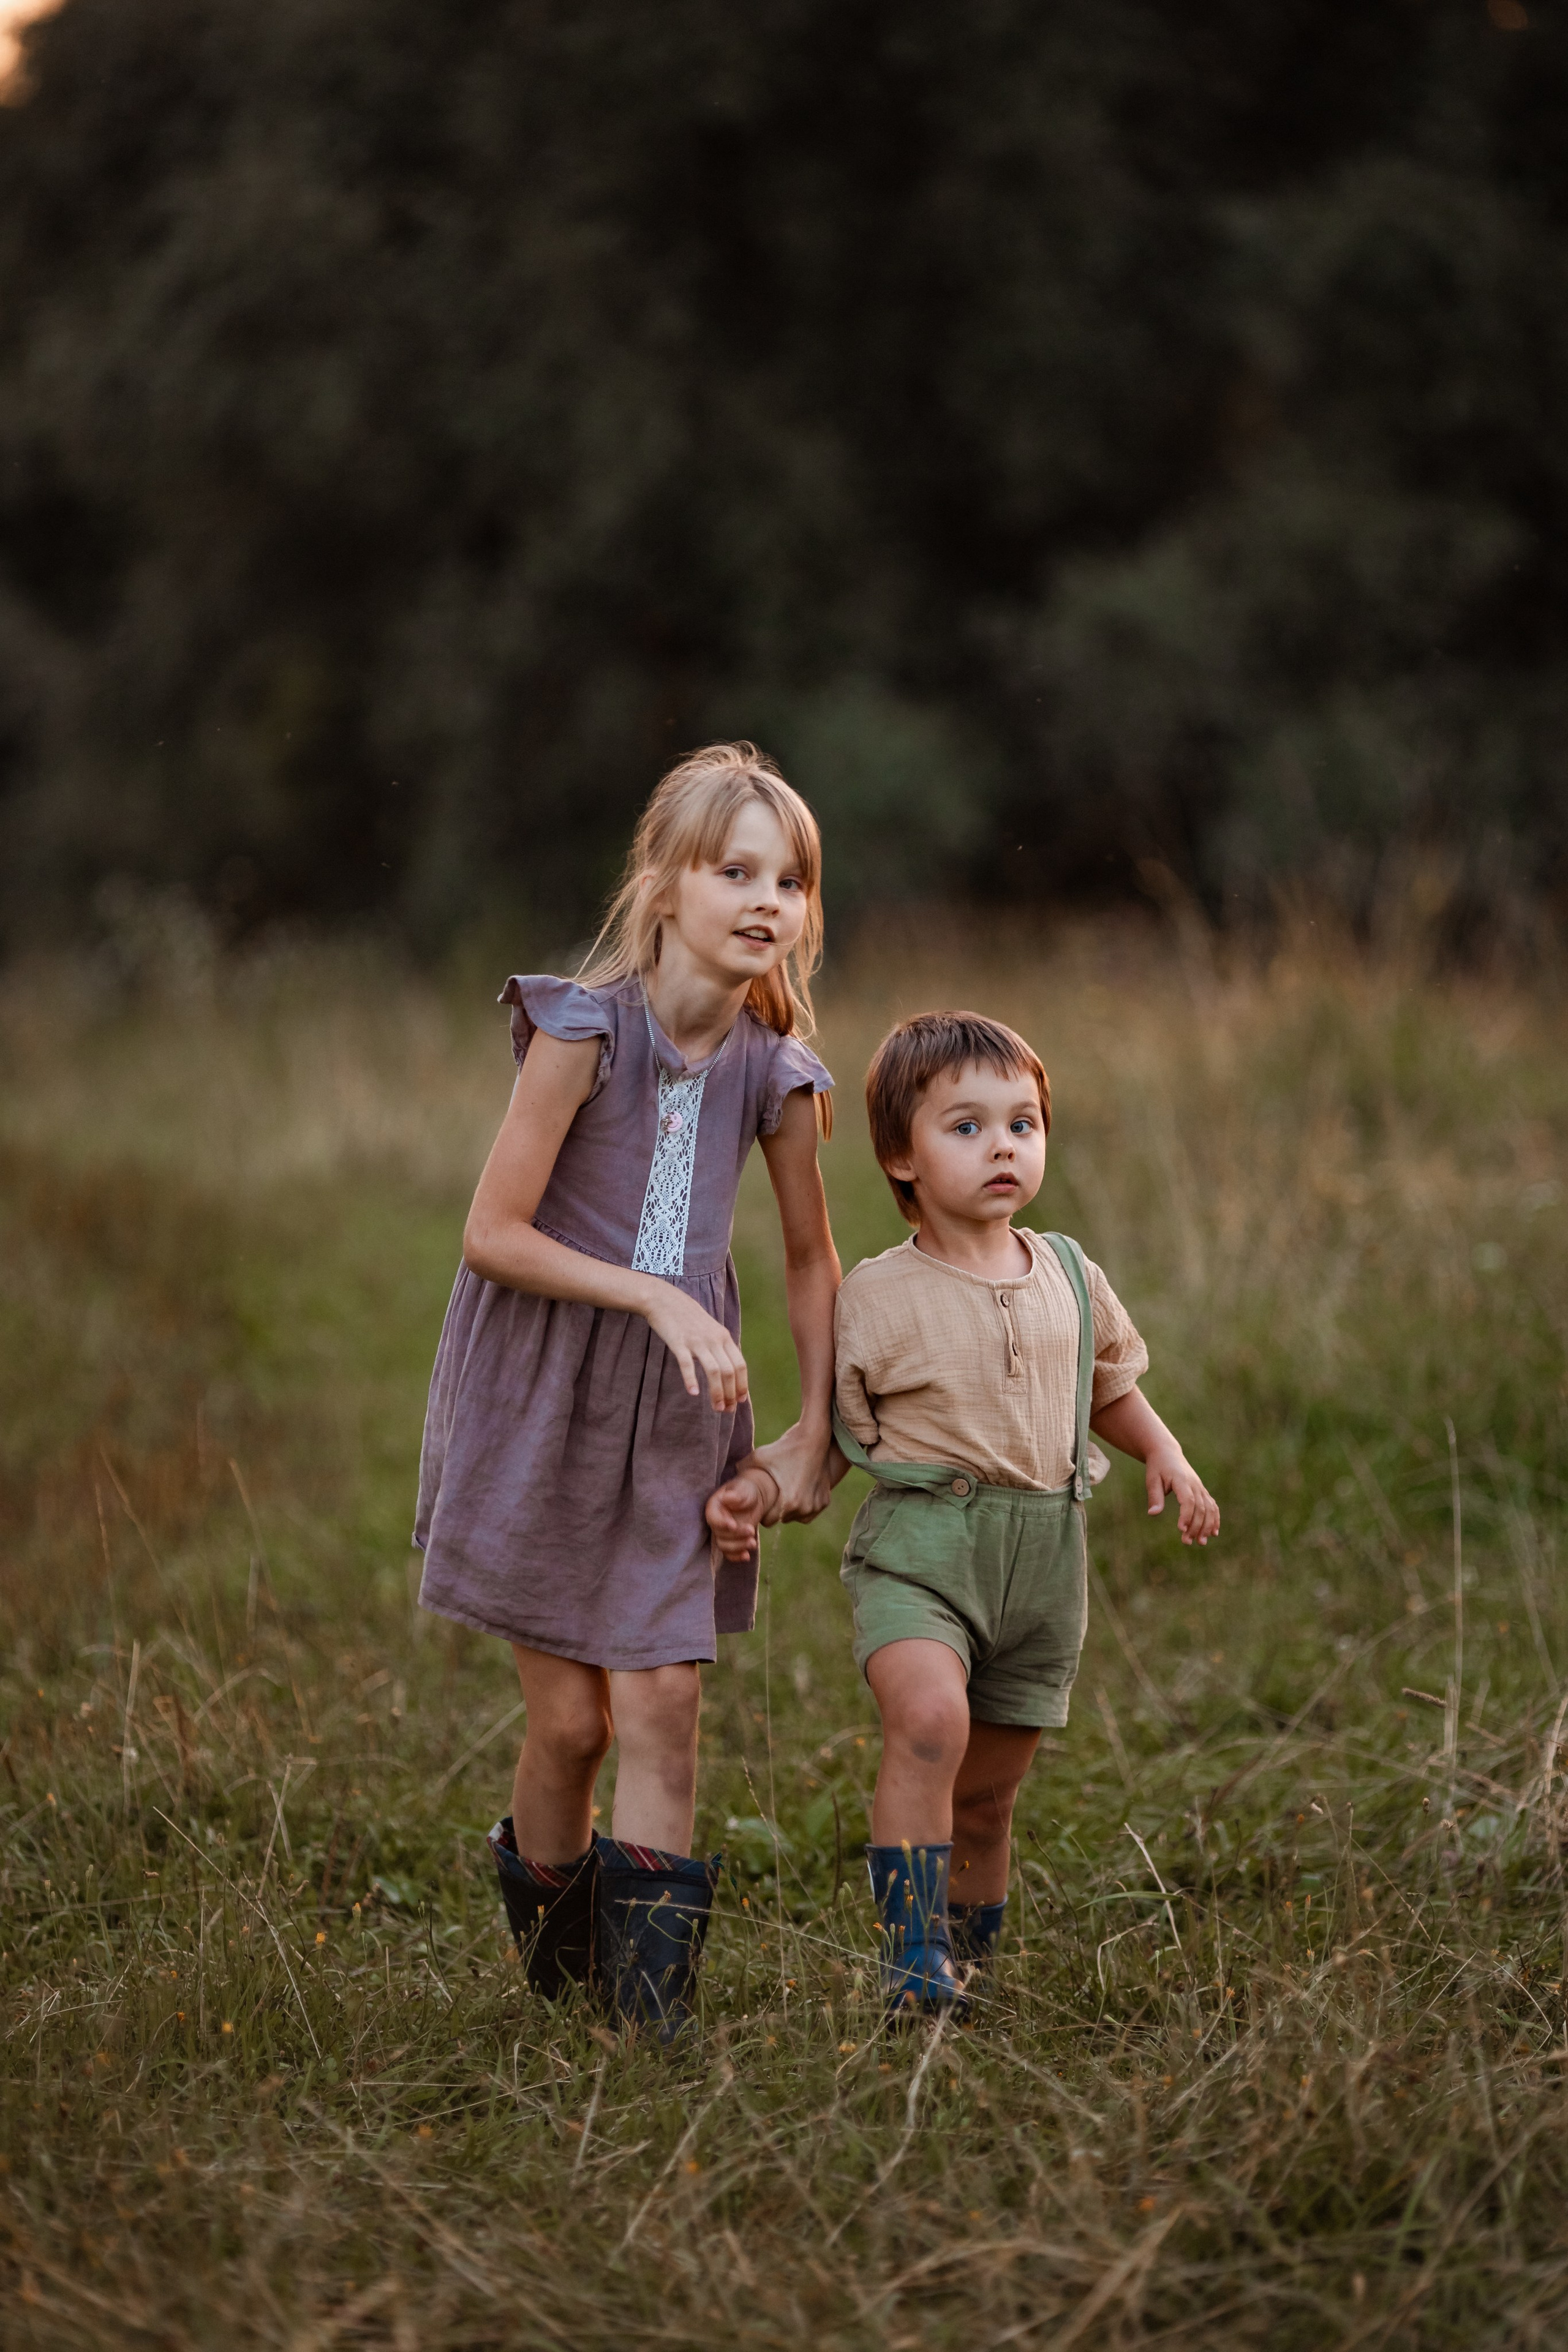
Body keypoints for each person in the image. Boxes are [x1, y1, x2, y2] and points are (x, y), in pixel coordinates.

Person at [415, 744, 839, 2038]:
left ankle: (646, 2030)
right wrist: (653, 1293)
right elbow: (492, 1232)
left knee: (663, 1698)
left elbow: (812, 1259)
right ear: (662, 885)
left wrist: (814, 1428)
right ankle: (555, 1990)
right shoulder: (579, 1031)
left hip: (677, 1415)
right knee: (571, 1728)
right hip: (542, 1397)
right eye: (734, 871)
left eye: (791, 881)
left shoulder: (775, 1073)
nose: (767, 901)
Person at [708, 1009, 1218, 2016]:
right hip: (922, 1557)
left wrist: (1165, 1452)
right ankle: (909, 1959)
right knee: (930, 1726)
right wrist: (767, 1488)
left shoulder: (1071, 1273)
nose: (1004, 1148)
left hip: (1042, 1569)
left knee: (987, 1799)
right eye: (968, 1127)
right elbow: (828, 1440)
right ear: (902, 1155)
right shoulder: (880, 1298)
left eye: (1023, 1125)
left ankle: (965, 1960)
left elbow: (1106, 1385)